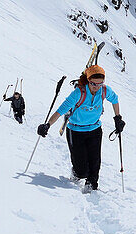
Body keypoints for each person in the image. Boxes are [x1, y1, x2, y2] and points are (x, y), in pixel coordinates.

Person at [37, 65, 124, 193]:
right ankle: (77, 173)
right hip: (75, 131)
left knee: (95, 163)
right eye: (94, 83)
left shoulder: (104, 91)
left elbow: (115, 99)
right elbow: (60, 110)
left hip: (95, 130)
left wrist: (118, 118)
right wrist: (47, 125)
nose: (97, 87)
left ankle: (92, 187)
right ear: (88, 81)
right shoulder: (79, 93)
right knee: (82, 169)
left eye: (100, 84)